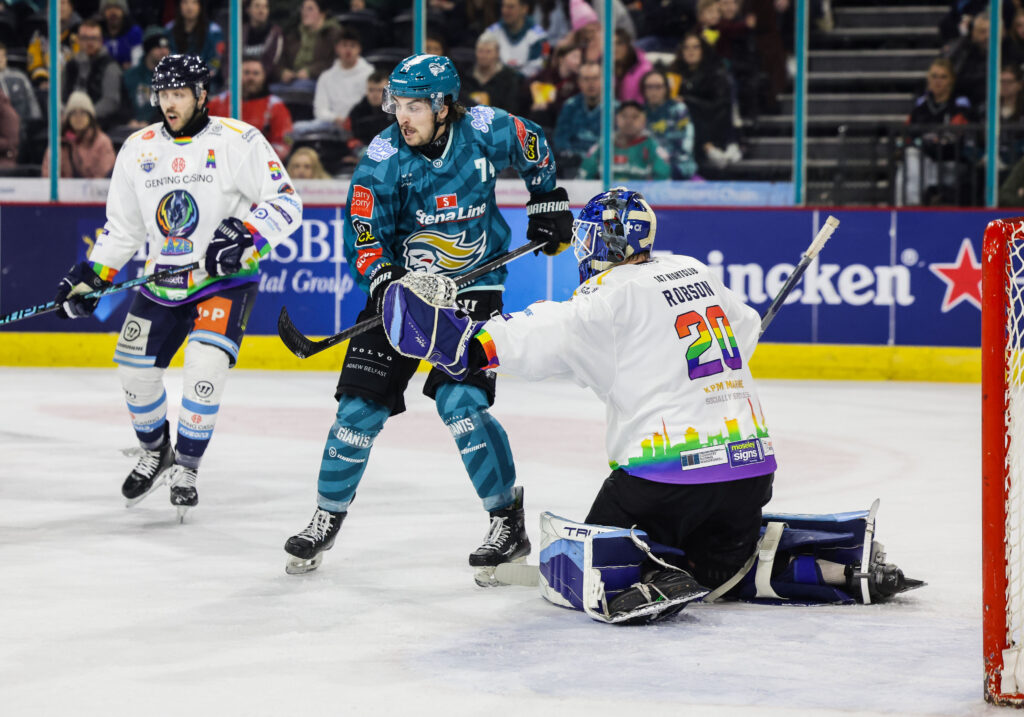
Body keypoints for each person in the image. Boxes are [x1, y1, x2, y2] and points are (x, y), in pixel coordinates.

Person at [379, 187, 921, 623]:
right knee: (722, 576)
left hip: (665, 485)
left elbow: (540, 332)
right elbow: (747, 328)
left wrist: (461, 338)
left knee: (580, 558)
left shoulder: (606, 297)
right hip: (752, 477)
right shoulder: (694, 271)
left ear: (602, 243)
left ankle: (655, 571)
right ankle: (835, 562)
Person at [282, 54, 574, 579]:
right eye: (398, 104)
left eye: (415, 106)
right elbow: (364, 234)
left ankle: (507, 521)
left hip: (472, 291)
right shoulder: (383, 157)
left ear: (443, 106)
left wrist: (546, 198)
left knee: (462, 406)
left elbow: (534, 145)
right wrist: (390, 281)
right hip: (401, 293)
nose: (403, 116)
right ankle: (325, 516)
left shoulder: (485, 129)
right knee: (357, 411)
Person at [51, 54, 302, 521]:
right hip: (162, 282)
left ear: (201, 95)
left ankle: (187, 466)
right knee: (133, 372)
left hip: (222, 281)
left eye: (179, 94)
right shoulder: (138, 148)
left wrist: (248, 233)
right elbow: (123, 228)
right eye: (164, 94)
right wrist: (95, 274)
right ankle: (157, 451)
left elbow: (286, 202)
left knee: (204, 370)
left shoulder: (238, 140)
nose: (170, 103)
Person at [207, 58, 294, 159]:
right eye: (246, 73)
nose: (251, 78)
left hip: (261, 165)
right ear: (236, 75)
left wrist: (260, 160)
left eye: (256, 73)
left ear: (264, 76)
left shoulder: (275, 106)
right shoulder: (218, 103)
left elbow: (283, 143)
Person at [579, 100, 671, 180]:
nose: (629, 121)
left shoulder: (652, 147)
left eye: (635, 117)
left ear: (644, 121)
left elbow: (663, 181)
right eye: (624, 116)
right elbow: (584, 178)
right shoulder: (604, 144)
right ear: (616, 119)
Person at [310, 26, 374, 130]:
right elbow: (320, 111)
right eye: (344, 45)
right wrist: (335, 118)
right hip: (332, 125)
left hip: (359, 124)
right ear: (337, 48)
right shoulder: (326, 77)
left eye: (352, 46)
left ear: (359, 49)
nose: (348, 50)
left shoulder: (369, 74)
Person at [64, 18, 123, 130]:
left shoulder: (110, 66)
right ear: (78, 40)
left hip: (100, 125)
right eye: (85, 38)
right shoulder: (70, 65)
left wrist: (84, 116)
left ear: (101, 41)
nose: (89, 43)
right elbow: (58, 97)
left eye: (94, 38)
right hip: (68, 124)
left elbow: (110, 101)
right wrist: (68, 115)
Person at [41, 90, 115, 178]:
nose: (78, 117)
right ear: (68, 118)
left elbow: (104, 175)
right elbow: (48, 175)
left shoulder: (103, 142)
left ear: (90, 117)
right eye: (74, 113)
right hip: (65, 191)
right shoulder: (59, 143)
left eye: (83, 113)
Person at [641, 69, 697, 180]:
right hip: (645, 170)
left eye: (658, 87)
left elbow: (686, 146)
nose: (653, 91)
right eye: (649, 87)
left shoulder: (679, 109)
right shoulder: (640, 112)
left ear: (666, 89)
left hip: (678, 168)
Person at [462, 31, 529, 116]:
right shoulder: (466, 76)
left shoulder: (509, 77)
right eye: (480, 51)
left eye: (488, 51)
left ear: (497, 53)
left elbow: (512, 109)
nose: (483, 56)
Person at [552, 59, 600, 177]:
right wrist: (572, 155)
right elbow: (560, 138)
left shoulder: (613, 108)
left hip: (602, 164)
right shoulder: (570, 106)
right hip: (573, 164)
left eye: (595, 78)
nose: (591, 83)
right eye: (586, 79)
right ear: (579, 82)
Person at [166, 0, 225, 92]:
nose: (189, 7)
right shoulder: (169, 30)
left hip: (207, 83)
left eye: (194, 2)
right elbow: (167, 57)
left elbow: (216, 60)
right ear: (179, 6)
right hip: (176, 82)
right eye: (185, 2)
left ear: (200, 6)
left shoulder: (214, 31)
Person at [122, 26, 171, 128]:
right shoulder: (130, 76)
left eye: (166, 47)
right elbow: (122, 103)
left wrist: (151, 123)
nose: (164, 51)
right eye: (158, 47)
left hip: (161, 130)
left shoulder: (173, 77)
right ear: (148, 49)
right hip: (131, 128)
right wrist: (129, 120)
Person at [486, 0, 549, 79]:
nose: (504, 10)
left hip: (527, 86)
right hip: (496, 84)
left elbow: (540, 67)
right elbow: (484, 63)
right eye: (503, 6)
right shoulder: (491, 32)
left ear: (524, 9)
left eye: (511, 7)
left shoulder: (540, 37)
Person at [101, 0, 143, 69]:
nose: (113, 12)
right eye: (108, 8)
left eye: (117, 7)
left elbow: (137, 62)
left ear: (124, 11)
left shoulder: (134, 31)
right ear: (103, 12)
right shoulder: (97, 31)